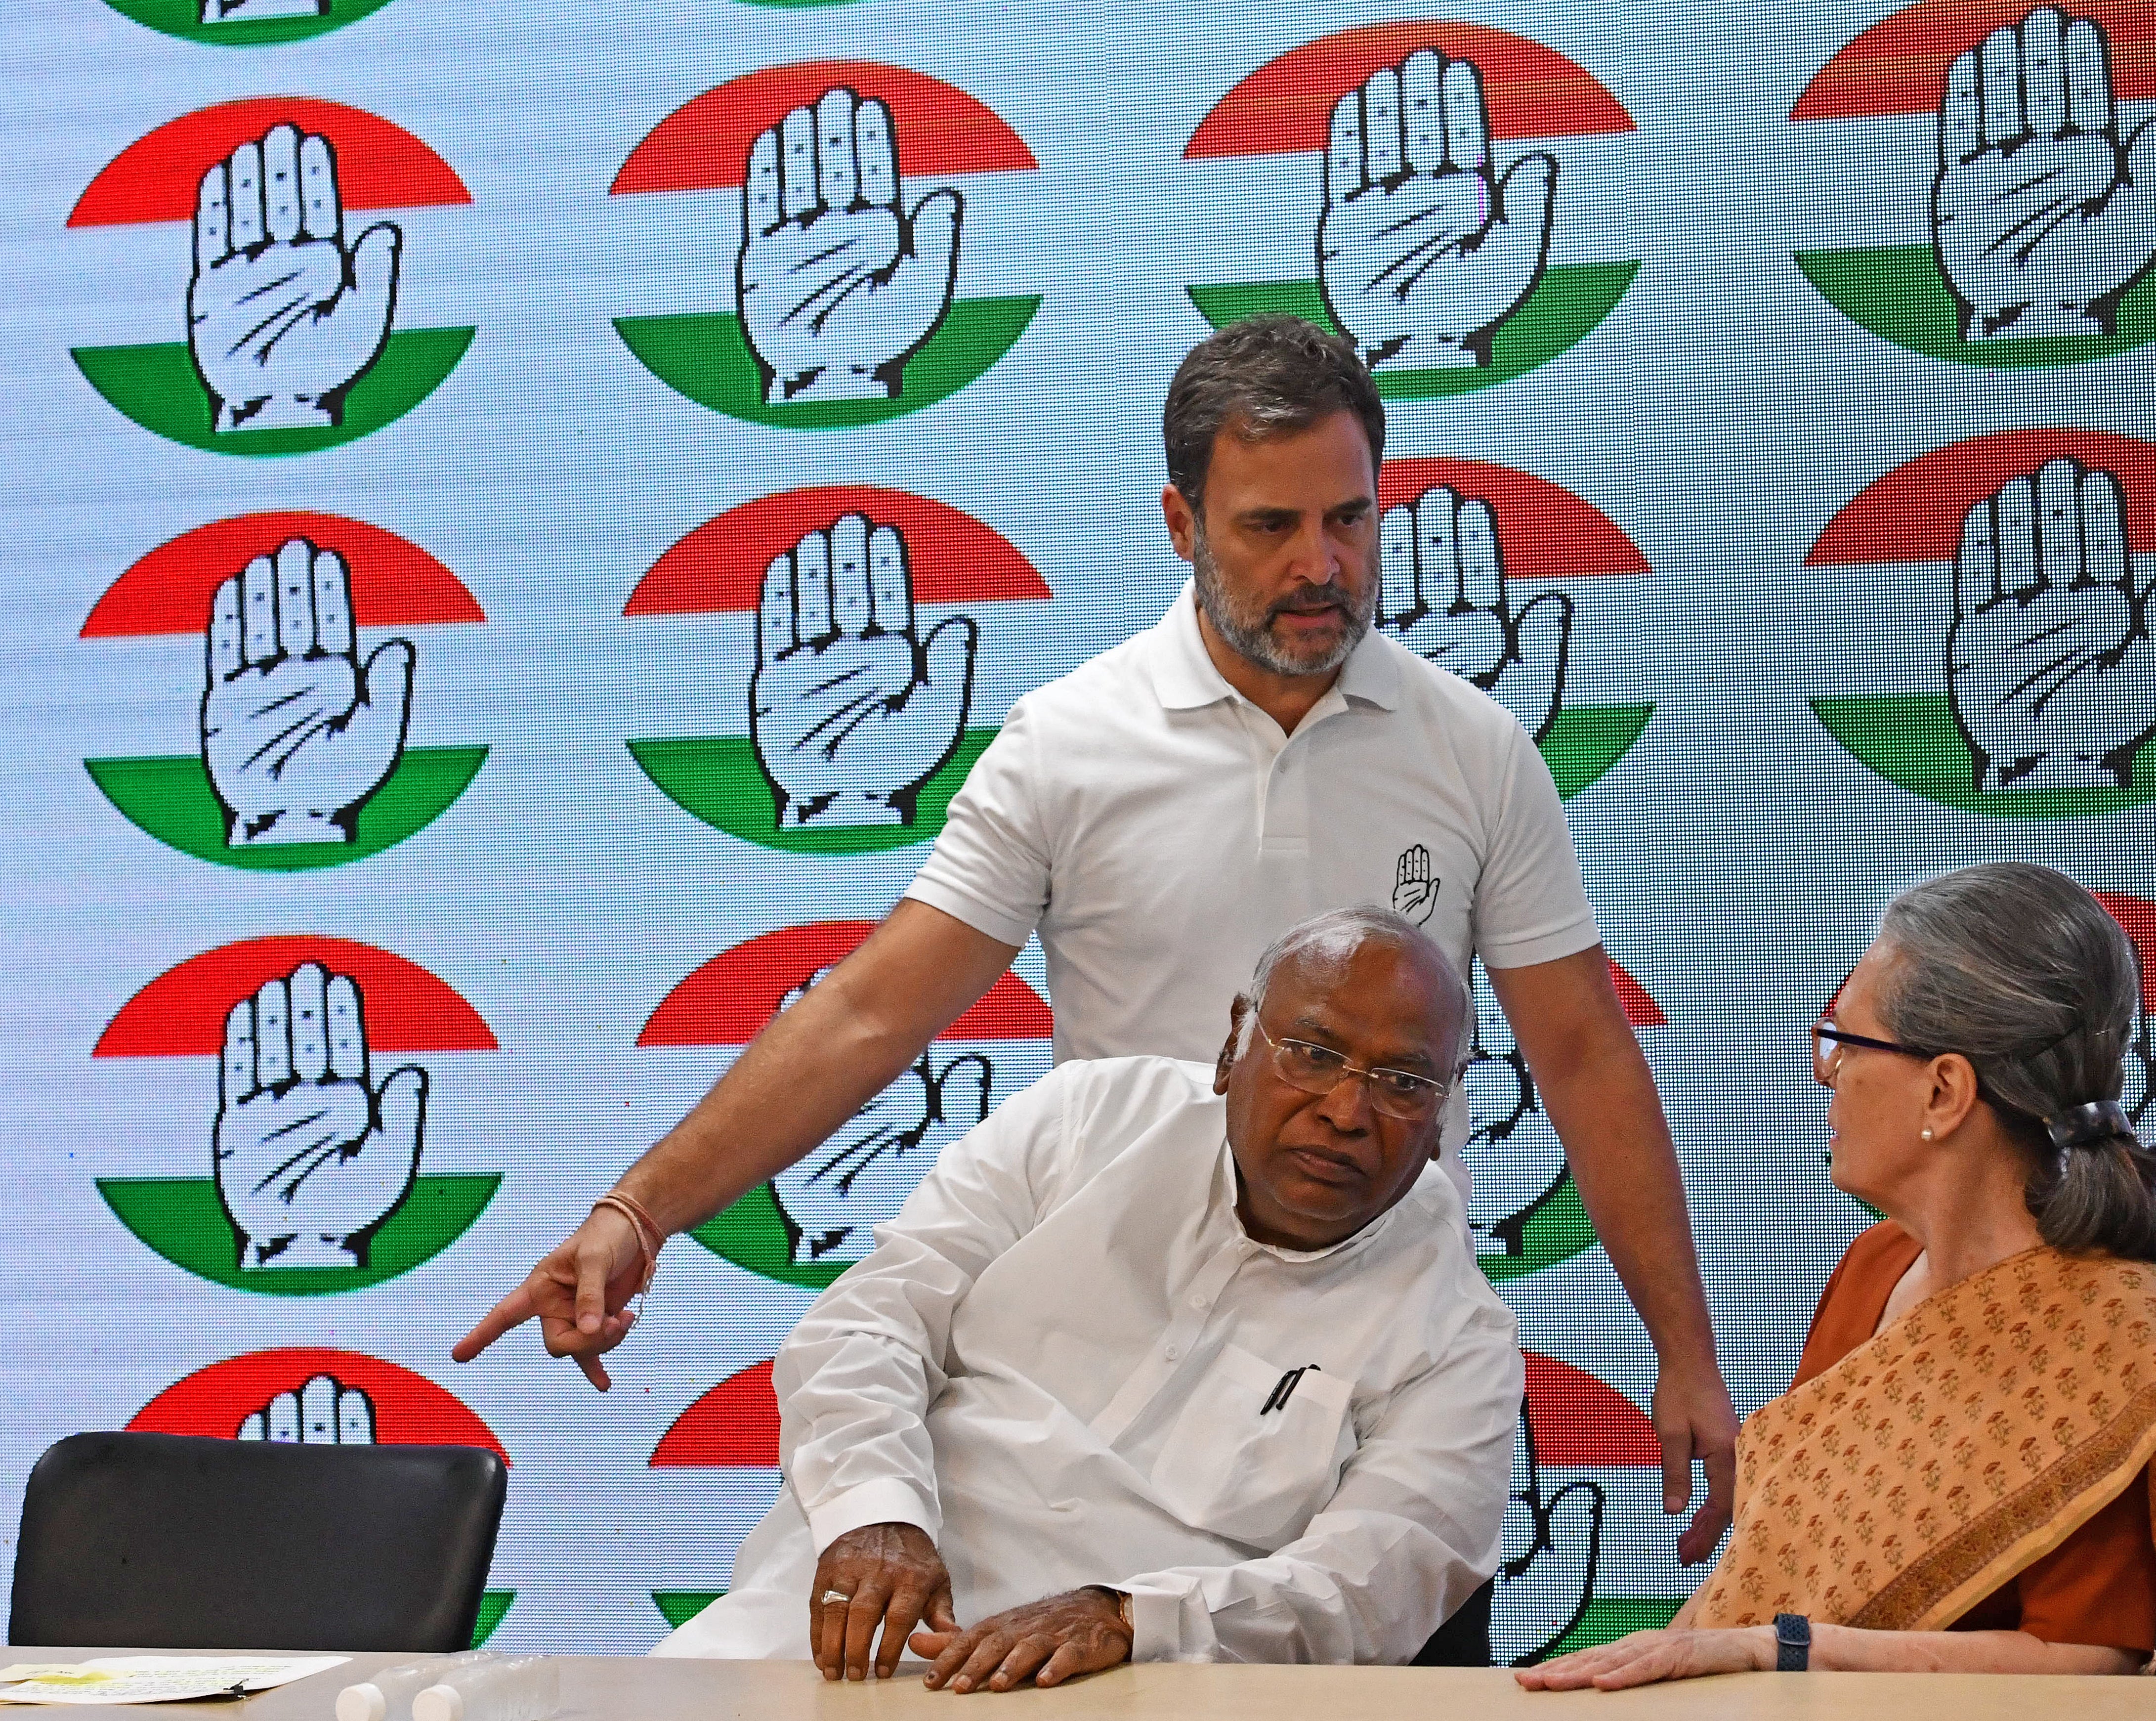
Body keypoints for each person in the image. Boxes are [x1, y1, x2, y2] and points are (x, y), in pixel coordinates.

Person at [455, 313, 1737, 1556]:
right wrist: (640, 1209)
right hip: (1123, 1400)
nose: (1322, 566)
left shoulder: (1474, 749)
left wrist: (1685, 1353)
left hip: (1392, 1375)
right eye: (1271, 527)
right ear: (1181, 524)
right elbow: (871, 1011)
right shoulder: (1069, 744)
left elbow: (1578, 1051)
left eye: (1349, 521)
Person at [653, 907, 1522, 1688]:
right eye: (1315, 1053)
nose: (1346, 1109)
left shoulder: (1460, 1339)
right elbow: (870, 1320)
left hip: (1133, 1682)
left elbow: (1366, 1587)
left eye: (1404, 1082)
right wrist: (873, 1512)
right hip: (856, 1631)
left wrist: (1131, 1618)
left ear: (1446, 1111)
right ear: (1234, 1044)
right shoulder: (1085, 1119)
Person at [1519, 863, 2156, 1689]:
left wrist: (1781, 1647)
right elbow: (1769, 1573)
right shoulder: (1874, 1265)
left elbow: (2081, 1660)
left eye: (1847, 1040)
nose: (1825, 1070)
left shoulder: (2103, 1331)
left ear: (1945, 1089)